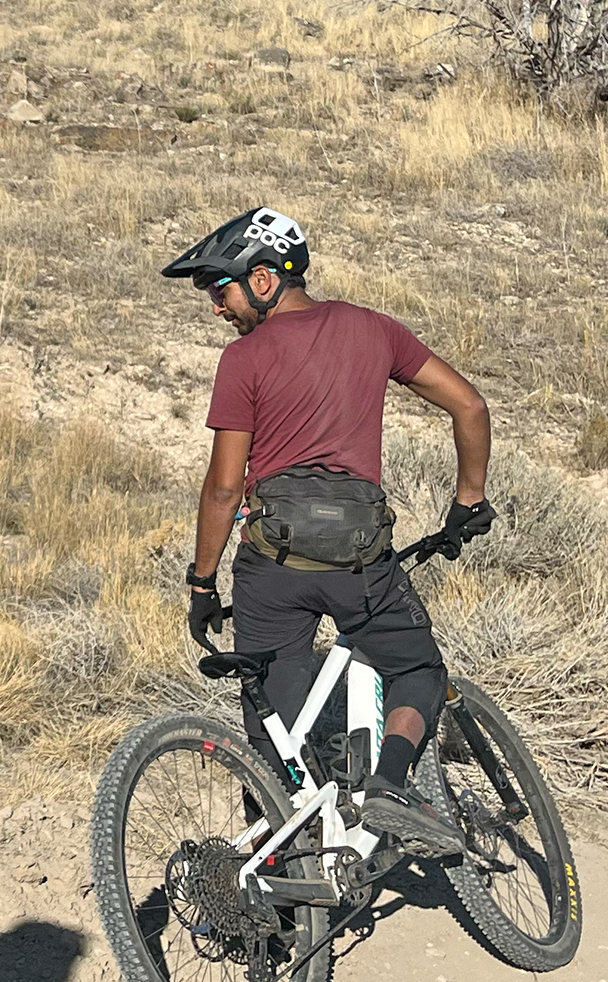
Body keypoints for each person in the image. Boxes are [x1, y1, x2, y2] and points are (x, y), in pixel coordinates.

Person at [166, 208, 494, 857]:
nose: (214, 308)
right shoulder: (373, 330)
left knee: (271, 734)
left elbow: (225, 489)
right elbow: (469, 405)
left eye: (219, 289)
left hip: (270, 571)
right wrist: (468, 501)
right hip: (359, 565)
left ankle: (279, 892)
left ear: (263, 279)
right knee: (418, 671)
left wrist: (201, 582)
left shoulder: (244, 359)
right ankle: (390, 790)